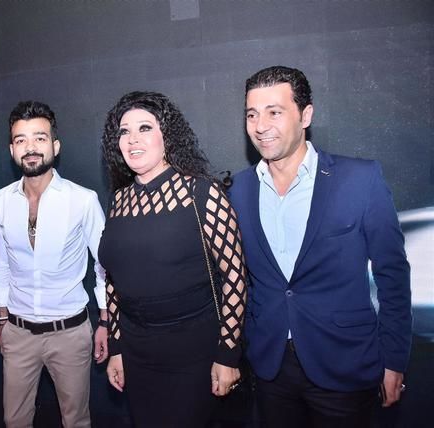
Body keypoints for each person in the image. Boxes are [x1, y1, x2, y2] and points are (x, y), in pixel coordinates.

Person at [228, 66, 412, 428]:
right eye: (252, 114)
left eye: (274, 112)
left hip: (344, 362)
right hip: (269, 366)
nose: (260, 126)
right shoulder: (237, 190)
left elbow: (392, 274)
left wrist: (394, 359)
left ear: (306, 115)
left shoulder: (360, 179)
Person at [99, 91, 247, 427]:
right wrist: (117, 347)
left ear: (167, 135)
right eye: (124, 131)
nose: (133, 139)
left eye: (145, 128)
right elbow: (113, 281)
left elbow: (235, 277)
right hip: (137, 352)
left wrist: (228, 354)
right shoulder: (118, 201)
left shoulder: (203, 193)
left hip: (194, 353)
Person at [0, 100, 108, 428]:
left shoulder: (82, 200)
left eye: (39, 138)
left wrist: (105, 320)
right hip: (17, 332)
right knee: (14, 421)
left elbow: (104, 264)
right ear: (12, 150)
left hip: (70, 333)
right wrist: (2, 319)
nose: (30, 147)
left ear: (55, 146)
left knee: (76, 421)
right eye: (21, 140)